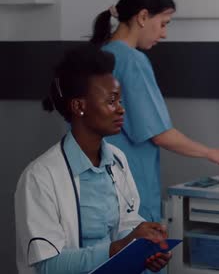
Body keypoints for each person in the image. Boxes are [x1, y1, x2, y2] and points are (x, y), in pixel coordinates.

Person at [89, 0, 219, 222]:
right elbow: (159, 134)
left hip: (97, 195)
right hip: (128, 199)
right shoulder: (132, 62)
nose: (164, 34)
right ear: (142, 16)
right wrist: (212, 153)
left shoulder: (98, 55)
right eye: (163, 24)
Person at [15, 45, 172, 273]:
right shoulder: (40, 177)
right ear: (79, 106)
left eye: (120, 101)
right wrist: (119, 248)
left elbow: (126, 224)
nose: (121, 110)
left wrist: (146, 247)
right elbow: (47, 266)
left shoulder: (116, 161)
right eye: (112, 101)